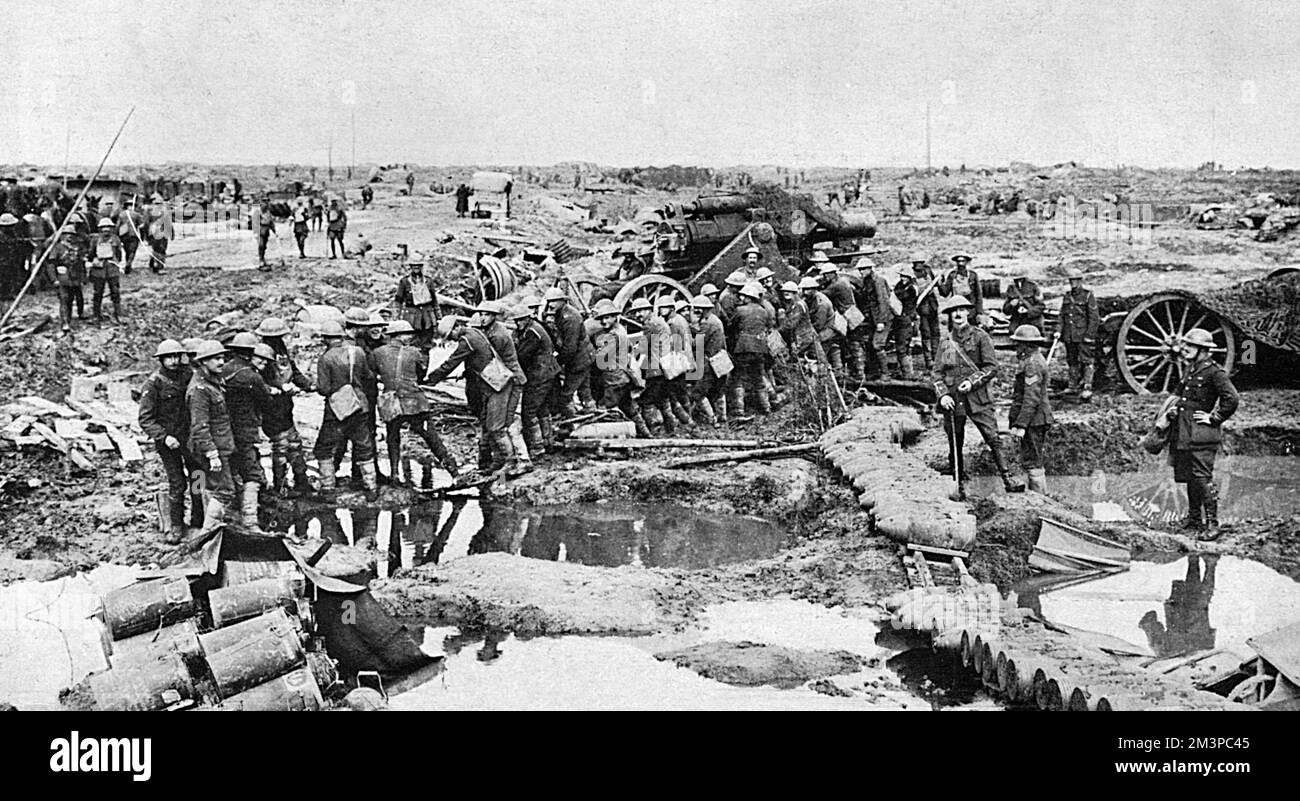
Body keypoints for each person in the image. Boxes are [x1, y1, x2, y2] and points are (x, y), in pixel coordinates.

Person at [932, 296, 1026, 496]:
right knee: (955, 439)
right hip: (954, 398)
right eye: (953, 311)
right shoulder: (946, 341)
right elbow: (937, 374)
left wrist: (972, 382)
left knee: (992, 437)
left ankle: (1008, 478)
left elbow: (992, 367)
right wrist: (943, 396)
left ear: (968, 312)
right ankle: (957, 482)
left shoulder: (980, 336)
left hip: (978, 397)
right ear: (950, 315)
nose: (957, 314)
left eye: (961, 310)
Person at [427, 302, 530, 476]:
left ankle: (511, 462)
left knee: (496, 426)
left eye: (450, 335)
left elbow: (451, 362)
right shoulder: (473, 333)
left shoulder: (468, 340)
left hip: (499, 385)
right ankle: (498, 463)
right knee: (491, 424)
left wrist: (431, 379)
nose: (451, 339)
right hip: (493, 384)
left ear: (457, 327)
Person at [1165, 328, 1239, 539]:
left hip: (1202, 435)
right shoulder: (1191, 369)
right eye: (1186, 344)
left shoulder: (1215, 372)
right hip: (1185, 432)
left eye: (1190, 345)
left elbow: (1232, 399)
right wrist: (1173, 408)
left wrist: (1214, 418)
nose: (1185, 348)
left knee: (1202, 478)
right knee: (1190, 477)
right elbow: (1180, 395)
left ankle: (1213, 525)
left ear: (1204, 350)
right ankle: (1195, 519)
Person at [372, 319, 459, 484]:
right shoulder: (414, 352)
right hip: (415, 403)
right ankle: (455, 474)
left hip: (392, 404)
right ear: (399, 336)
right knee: (432, 438)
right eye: (408, 334)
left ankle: (395, 475)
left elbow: (374, 372)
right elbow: (420, 375)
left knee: (392, 438)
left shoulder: (378, 353)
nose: (411, 337)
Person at [138, 339, 197, 543]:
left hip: (189, 437)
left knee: (198, 477)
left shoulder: (188, 375)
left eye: (176, 356)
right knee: (177, 483)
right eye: (168, 357)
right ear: (161, 359)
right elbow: (145, 419)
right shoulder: (154, 383)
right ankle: (177, 525)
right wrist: (164, 437)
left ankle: (198, 518)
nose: (173, 361)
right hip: (169, 441)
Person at [313, 320, 379, 498]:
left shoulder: (325, 358)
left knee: (324, 448)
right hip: (359, 404)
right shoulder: (357, 351)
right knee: (364, 445)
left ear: (327, 339)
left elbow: (324, 389)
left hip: (337, 409)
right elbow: (368, 376)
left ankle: (327, 488)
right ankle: (371, 487)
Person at [254, 319, 315, 498]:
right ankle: (280, 486)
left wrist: (308, 384)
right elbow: (257, 382)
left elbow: (294, 372)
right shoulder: (261, 354)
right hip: (270, 408)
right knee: (281, 446)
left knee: (295, 444)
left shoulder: (282, 352)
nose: (277, 340)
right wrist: (277, 388)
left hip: (285, 406)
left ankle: (301, 481)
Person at [186, 339, 237, 544]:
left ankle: (199, 523)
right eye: (216, 358)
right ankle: (207, 534)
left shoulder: (212, 382)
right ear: (204, 361)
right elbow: (200, 425)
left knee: (204, 485)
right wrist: (212, 453)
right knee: (225, 490)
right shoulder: (200, 388)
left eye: (222, 357)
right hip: (210, 448)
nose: (221, 361)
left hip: (210, 446)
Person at [222, 332, 272, 534]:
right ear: (252, 352)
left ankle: (225, 515)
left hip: (223, 431)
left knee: (227, 471)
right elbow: (266, 402)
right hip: (245, 431)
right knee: (251, 472)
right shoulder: (251, 376)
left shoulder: (223, 371)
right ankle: (250, 520)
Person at [588, 298, 651, 437]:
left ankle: (614, 438)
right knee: (629, 407)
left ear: (615, 317)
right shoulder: (621, 329)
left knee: (606, 410)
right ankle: (646, 433)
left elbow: (600, 357)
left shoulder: (612, 335)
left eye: (607, 318)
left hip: (614, 380)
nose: (604, 322)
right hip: (624, 378)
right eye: (601, 319)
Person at [508, 304, 561, 456]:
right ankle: (547, 441)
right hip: (546, 373)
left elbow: (523, 355)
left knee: (528, 411)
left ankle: (537, 447)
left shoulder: (532, 333)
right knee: (542, 408)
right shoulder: (534, 327)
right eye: (516, 321)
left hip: (540, 375)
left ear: (527, 318)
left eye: (520, 321)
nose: (518, 324)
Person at [1007, 325, 1053, 493]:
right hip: (1034, 419)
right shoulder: (1032, 360)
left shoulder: (1032, 364)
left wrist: (1021, 425)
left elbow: (1031, 399)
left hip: (1034, 421)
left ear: (1027, 345)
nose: (1016, 348)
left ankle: (1040, 498)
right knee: (1032, 458)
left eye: (1019, 344)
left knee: (1033, 460)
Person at [543, 286, 595, 416]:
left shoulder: (570, 318)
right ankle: (591, 412)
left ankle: (569, 422)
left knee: (566, 394)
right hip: (582, 357)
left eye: (554, 301)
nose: (551, 304)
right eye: (549, 301)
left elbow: (570, 348)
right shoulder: (561, 314)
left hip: (580, 359)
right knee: (585, 390)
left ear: (562, 301)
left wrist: (558, 363)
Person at [1058, 267, 1100, 400]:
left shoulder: (1088, 296)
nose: (1073, 283)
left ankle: (1087, 386)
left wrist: (1089, 336)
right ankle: (1073, 385)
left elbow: (1094, 318)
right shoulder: (1067, 296)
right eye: (1071, 281)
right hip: (1070, 336)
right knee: (1072, 361)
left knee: (1087, 360)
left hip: (1083, 335)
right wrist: (1059, 332)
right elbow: (1062, 316)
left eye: (1075, 281)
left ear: (1080, 281)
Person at [688, 295, 727, 426]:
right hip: (721, 359)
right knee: (718, 390)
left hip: (711, 362)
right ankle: (723, 417)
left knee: (697, 393)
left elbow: (698, 343)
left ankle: (712, 419)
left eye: (697, 309)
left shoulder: (707, 323)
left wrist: (690, 331)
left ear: (703, 309)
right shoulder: (715, 320)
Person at [47, 223, 87, 334]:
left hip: (75, 278)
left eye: (71, 234)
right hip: (62, 278)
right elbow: (51, 264)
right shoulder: (57, 248)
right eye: (66, 234)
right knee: (64, 300)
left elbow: (81, 263)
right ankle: (65, 323)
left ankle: (77, 315)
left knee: (74, 298)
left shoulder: (77, 248)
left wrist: (83, 277)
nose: (69, 236)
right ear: (62, 235)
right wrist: (53, 279)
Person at [664, 297, 696, 428]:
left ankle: (687, 419)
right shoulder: (680, 320)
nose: (661, 310)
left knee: (677, 391)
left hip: (678, 360)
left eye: (663, 308)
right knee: (680, 391)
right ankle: (688, 418)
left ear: (671, 308)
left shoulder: (674, 323)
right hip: (683, 358)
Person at [394, 260, 440, 348]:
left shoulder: (428, 281)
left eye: (418, 265)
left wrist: (438, 317)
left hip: (427, 316)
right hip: (412, 316)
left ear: (421, 266)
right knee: (412, 341)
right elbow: (398, 301)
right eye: (414, 265)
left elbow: (434, 300)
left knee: (427, 341)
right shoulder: (404, 282)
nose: (416, 267)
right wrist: (396, 318)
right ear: (410, 267)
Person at [910, 252, 941, 370]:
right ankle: (929, 361)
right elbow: (914, 292)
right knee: (926, 333)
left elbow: (935, 284)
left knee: (936, 332)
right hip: (921, 308)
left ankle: (937, 357)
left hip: (932, 306)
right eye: (917, 264)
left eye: (921, 263)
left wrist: (938, 281)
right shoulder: (912, 274)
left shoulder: (928, 270)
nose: (919, 266)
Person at [89, 218, 123, 323]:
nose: (106, 230)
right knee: (97, 293)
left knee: (115, 292)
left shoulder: (116, 239)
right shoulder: (95, 240)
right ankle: (96, 315)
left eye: (108, 228)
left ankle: (118, 315)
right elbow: (91, 253)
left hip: (112, 269)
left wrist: (114, 261)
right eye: (104, 228)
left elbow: (119, 254)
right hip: (98, 270)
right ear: (100, 229)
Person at [940, 251, 983, 323]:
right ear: (956, 262)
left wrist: (979, 312)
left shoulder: (972, 275)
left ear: (966, 262)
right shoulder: (952, 275)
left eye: (963, 261)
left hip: (970, 309)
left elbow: (978, 294)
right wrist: (940, 284)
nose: (960, 264)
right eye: (959, 261)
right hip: (955, 307)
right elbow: (945, 293)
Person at [891, 266, 918, 379]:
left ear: (910, 277)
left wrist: (894, 293)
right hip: (900, 319)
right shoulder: (901, 285)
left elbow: (901, 295)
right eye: (901, 276)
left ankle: (907, 374)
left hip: (907, 318)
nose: (902, 279)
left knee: (903, 347)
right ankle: (904, 371)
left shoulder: (912, 289)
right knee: (901, 345)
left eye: (905, 277)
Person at [1001, 266, 1045, 332]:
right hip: (1017, 321)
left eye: (1020, 279)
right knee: (1012, 333)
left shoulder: (1033, 287)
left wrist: (1028, 311)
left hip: (1033, 320)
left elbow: (1041, 306)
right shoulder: (1011, 288)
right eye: (1016, 280)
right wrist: (1011, 305)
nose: (1018, 282)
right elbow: (1005, 310)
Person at [0, 213, 31, 301]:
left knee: (11, 277)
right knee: (3, 278)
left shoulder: (12, 234)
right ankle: (3, 295)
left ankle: (8, 294)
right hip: (3, 261)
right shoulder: (2, 235)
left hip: (11, 260)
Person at [113, 202, 144, 274]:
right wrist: (142, 237)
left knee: (127, 250)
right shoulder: (136, 215)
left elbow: (118, 226)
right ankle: (128, 264)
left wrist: (116, 235)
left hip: (124, 235)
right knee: (132, 251)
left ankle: (128, 264)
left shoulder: (121, 214)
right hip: (134, 235)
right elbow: (141, 226)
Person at [145, 197, 172, 273]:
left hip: (152, 231)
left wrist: (146, 234)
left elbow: (146, 223)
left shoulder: (149, 210)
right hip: (162, 231)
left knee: (155, 248)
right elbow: (168, 222)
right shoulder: (164, 210)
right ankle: (159, 265)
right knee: (162, 249)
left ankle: (153, 262)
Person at [255, 199, 276, 270]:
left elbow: (271, 223)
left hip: (267, 229)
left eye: (266, 204)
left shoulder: (268, 213)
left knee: (264, 246)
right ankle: (260, 260)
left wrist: (274, 231)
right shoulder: (258, 213)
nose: (265, 205)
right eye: (263, 204)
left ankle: (263, 259)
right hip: (261, 229)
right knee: (261, 245)